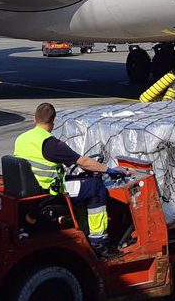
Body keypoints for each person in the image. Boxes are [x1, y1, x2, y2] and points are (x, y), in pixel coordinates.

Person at [12, 102, 125, 253]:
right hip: (51, 193)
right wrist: (108, 170)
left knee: (82, 181)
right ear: (53, 122)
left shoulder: (22, 138)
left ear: (34, 119)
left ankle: (83, 228)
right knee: (96, 187)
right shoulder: (50, 144)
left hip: (34, 189)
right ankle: (99, 241)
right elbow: (83, 162)